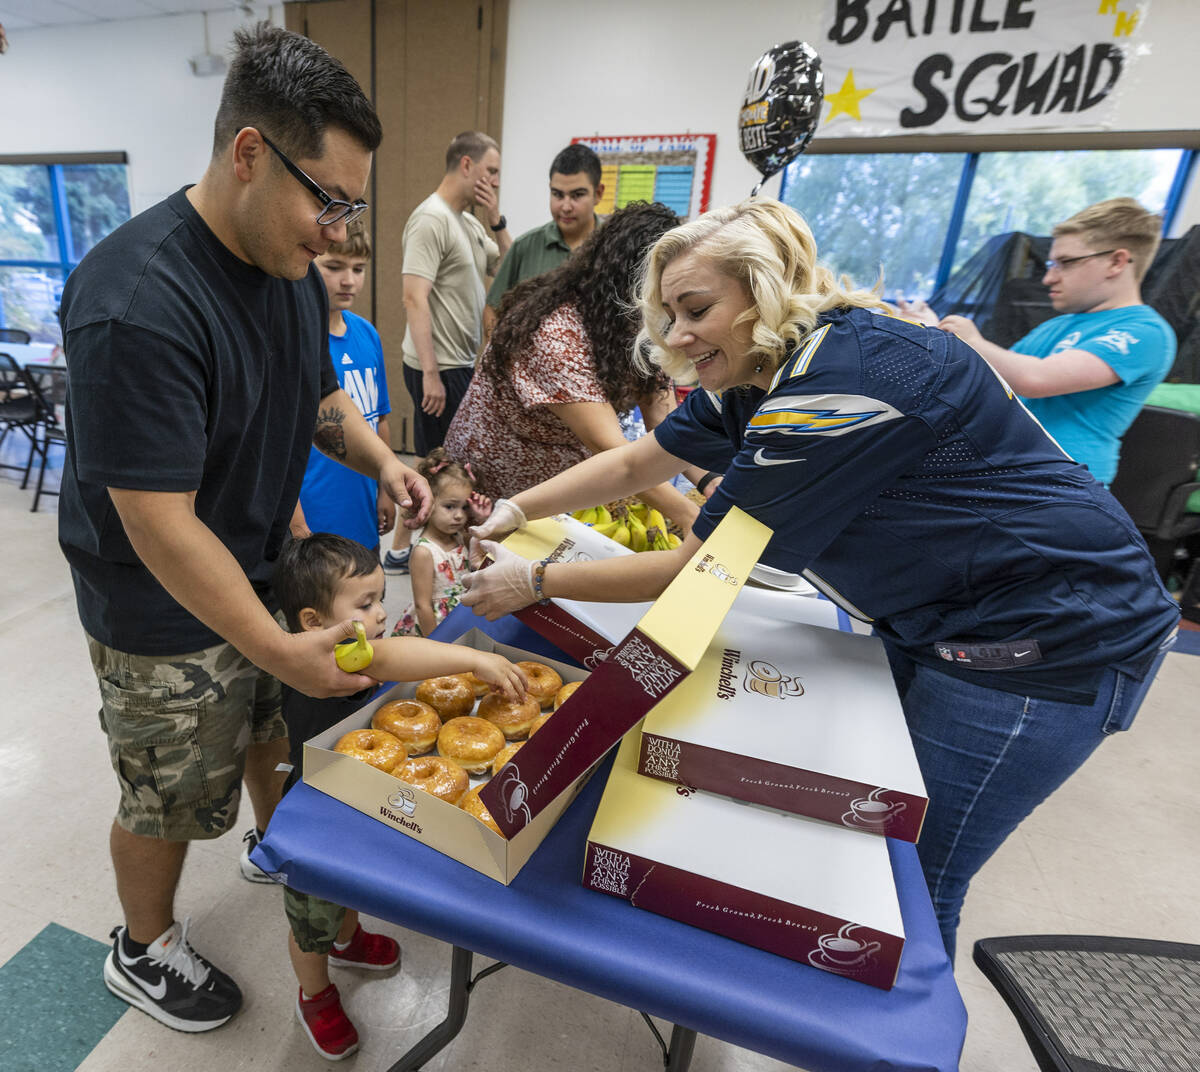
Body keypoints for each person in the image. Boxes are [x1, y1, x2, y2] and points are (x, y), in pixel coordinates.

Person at [461, 198, 1180, 960]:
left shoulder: (843, 383)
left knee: (912, 877)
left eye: (696, 308)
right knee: (870, 835)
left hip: (1046, 644)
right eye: (669, 314)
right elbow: (642, 461)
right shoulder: (761, 371)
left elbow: (698, 567)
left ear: (764, 289)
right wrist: (515, 508)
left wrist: (535, 581)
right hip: (943, 616)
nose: (677, 336)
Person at [57, 24, 431, 1032]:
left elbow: (320, 402)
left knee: (276, 742)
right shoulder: (136, 301)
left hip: (262, 561)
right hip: (159, 605)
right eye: (328, 199)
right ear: (249, 153)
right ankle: (143, 947)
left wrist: (387, 459)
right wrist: (273, 643)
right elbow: (159, 525)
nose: (335, 232)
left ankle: (302, 882)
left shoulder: (290, 273)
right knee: (172, 791)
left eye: (352, 207)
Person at [272, 532, 524, 1058]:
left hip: (358, 797)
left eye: (379, 598)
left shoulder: (345, 644)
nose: (382, 613)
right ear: (312, 623)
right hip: (318, 812)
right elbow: (397, 657)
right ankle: (314, 992)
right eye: (365, 604)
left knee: (352, 884)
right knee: (312, 908)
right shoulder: (326, 658)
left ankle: (348, 937)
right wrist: (473, 662)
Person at [444, 201, 702, 530]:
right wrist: (689, 515)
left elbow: (663, 418)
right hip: (489, 491)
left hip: (554, 491)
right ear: (631, 281)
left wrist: (707, 482)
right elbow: (617, 456)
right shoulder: (555, 336)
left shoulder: (637, 323)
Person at [899, 197, 1175, 486]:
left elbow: (1035, 379)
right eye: (1051, 264)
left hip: (1062, 488)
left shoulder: (1146, 331)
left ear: (1116, 261)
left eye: (1065, 263)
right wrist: (932, 332)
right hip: (1008, 474)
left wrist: (966, 338)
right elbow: (994, 383)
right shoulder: (1057, 325)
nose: (1048, 278)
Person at [385, 130, 509, 575]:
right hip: (436, 367)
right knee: (436, 470)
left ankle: (432, 551)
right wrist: (432, 375)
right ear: (466, 165)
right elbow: (414, 298)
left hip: (462, 364)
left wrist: (496, 216)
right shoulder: (431, 218)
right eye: (491, 171)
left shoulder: (471, 222)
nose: (494, 180)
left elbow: (510, 267)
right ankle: (407, 552)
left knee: (455, 468)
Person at [291, 219, 394, 551]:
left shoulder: (367, 334)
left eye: (359, 269)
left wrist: (384, 491)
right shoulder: (297, 341)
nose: (349, 281)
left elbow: (380, 419)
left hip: (362, 512)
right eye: (334, 267)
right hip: (313, 516)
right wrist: (295, 520)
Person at [482, 143, 605, 336]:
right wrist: (501, 358)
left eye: (577, 195)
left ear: (598, 194)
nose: (565, 206)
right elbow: (492, 309)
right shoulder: (524, 247)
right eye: (557, 194)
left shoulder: (615, 249)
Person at [392, 448, 492, 637]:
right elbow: (423, 605)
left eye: (464, 507)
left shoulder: (461, 537)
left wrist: (481, 520)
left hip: (460, 619)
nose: (459, 515)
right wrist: (436, 643)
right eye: (449, 506)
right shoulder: (424, 552)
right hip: (433, 627)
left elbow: (484, 557)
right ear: (426, 503)